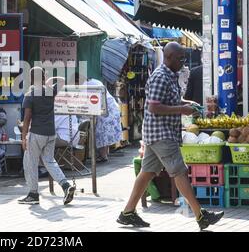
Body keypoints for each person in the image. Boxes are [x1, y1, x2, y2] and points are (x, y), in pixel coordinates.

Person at [117, 42, 224, 230]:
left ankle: (127, 213)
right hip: (161, 133)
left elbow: (169, 101)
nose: (183, 62)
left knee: (147, 172)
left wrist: (187, 103)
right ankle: (200, 216)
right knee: (179, 171)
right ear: (168, 57)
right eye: (180, 58)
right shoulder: (160, 76)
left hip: (159, 132)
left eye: (184, 58)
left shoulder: (171, 75)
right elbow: (154, 107)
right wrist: (182, 109)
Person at [19, 67, 76, 205]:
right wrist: (50, 79)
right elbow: (62, 80)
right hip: (51, 133)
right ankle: (65, 186)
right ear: (44, 77)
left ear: (31, 79)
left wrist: (23, 138)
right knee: (49, 161)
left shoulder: (30, 95)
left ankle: (33, 194)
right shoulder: (50, 91)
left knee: (30, 162)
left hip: (37, 133)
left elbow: (27, 119)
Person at [83, 78, 122, 162]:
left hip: (107, 110)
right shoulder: (95, 81)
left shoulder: (85, 85)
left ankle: (103, 156)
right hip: (111, 108)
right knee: (104, 133)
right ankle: (104, 155)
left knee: (101, 133)